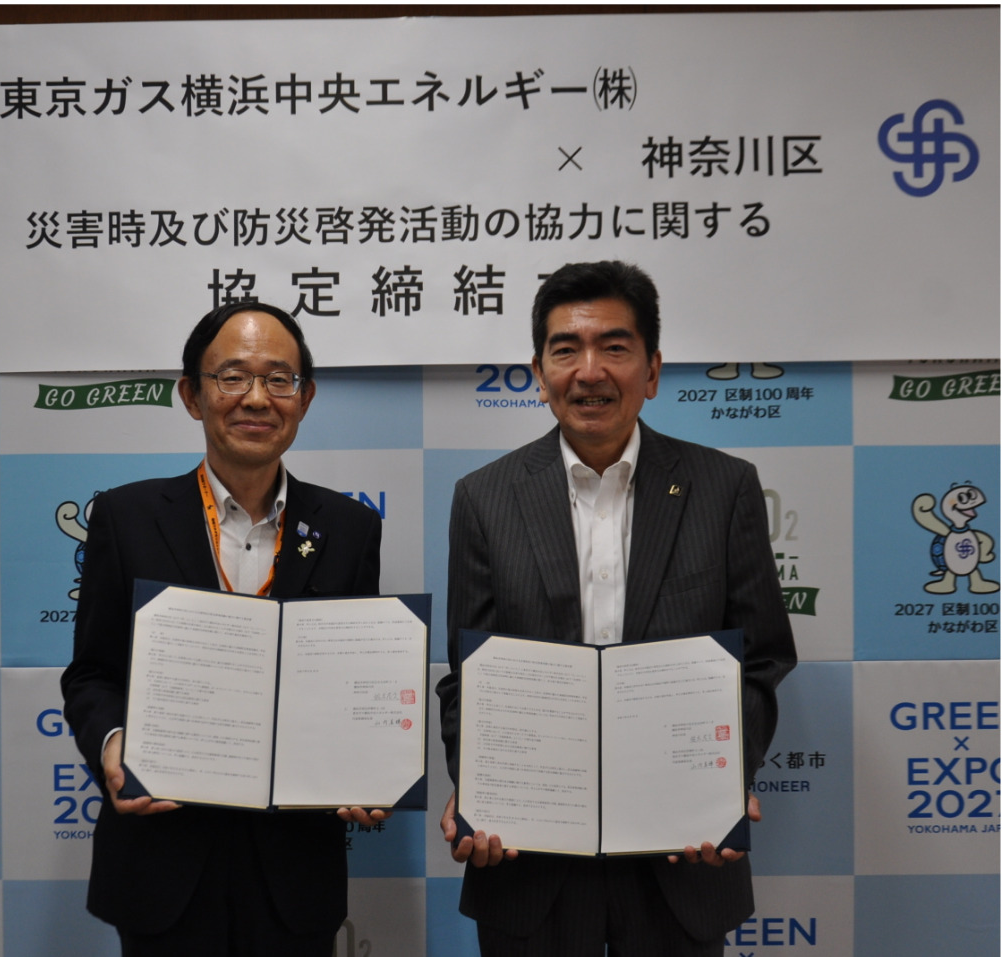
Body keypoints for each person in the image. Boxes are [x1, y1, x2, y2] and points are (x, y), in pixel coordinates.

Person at [435, 261, 797, 957]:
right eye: (566, 349)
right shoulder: (484, 497)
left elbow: (761, 660)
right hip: (529, 859)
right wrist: (477, 791)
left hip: (681, 855)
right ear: (538, 372)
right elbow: (469, 676)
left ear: (652, 370)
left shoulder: (724, 488)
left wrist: (724, 781)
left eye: (615, 347)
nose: (589, 371)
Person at [61, 301, 385, 957]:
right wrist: (114, 744)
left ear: (305, 398)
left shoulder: (350, 529)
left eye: (279, 379)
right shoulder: (126, 517)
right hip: (163, 861)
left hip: (294, 871)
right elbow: (92, 674)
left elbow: (357, 685)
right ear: (191, 395)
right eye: (232, 377)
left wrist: (369, 764)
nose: (257, 398)